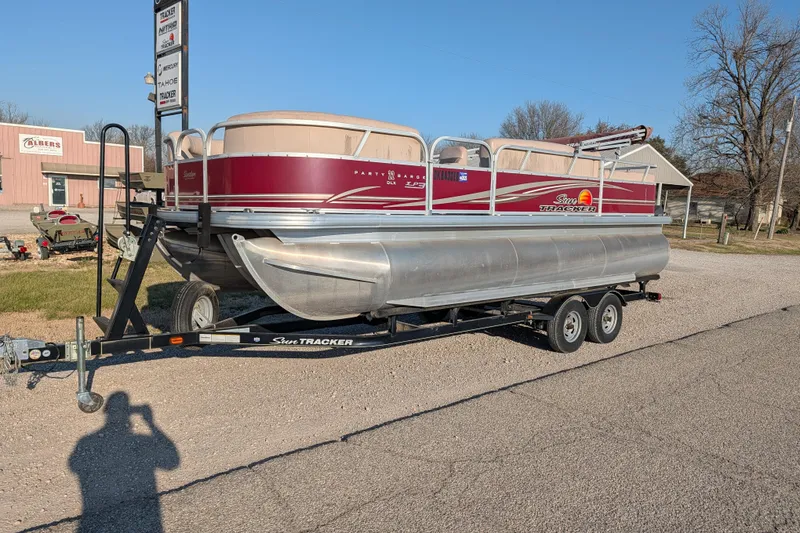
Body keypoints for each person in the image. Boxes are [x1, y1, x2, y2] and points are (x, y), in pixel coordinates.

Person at [69, 392, 179, 532]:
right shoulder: (142, 440)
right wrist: (151, 423)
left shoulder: (86, 442)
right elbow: (172, 462)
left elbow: (73, 465)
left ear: (106, 411)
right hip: (142, 520)